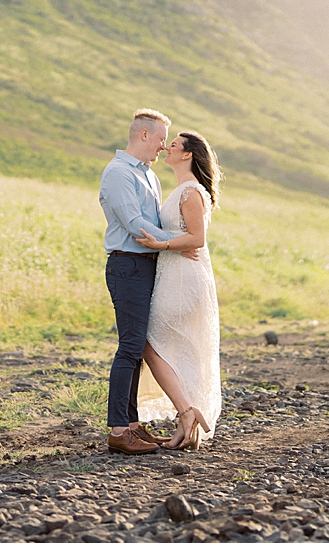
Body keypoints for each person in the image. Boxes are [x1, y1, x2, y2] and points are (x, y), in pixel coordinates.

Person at [133, 131, 224, 450]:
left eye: (173, 145)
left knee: (151, 344)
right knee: (172, 347)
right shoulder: (182, 189)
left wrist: (164, 244)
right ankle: (187, 417)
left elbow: (197, 238)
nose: (165, 147)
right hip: (173, 274)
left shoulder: (190, 192)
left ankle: (187, 412)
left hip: (184, 278)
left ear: (187, 155)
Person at [97, 109, 176, 455]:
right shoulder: (117, 173)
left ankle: (131, 424)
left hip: (147, 266)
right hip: (127, 265)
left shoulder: (149, 176)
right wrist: (179, 242)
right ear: (144, 135)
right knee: (129, 348)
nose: (163, 146)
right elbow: (134, 224)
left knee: (138, 348)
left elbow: (152, 221)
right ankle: (117, 430)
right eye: (161, 138)